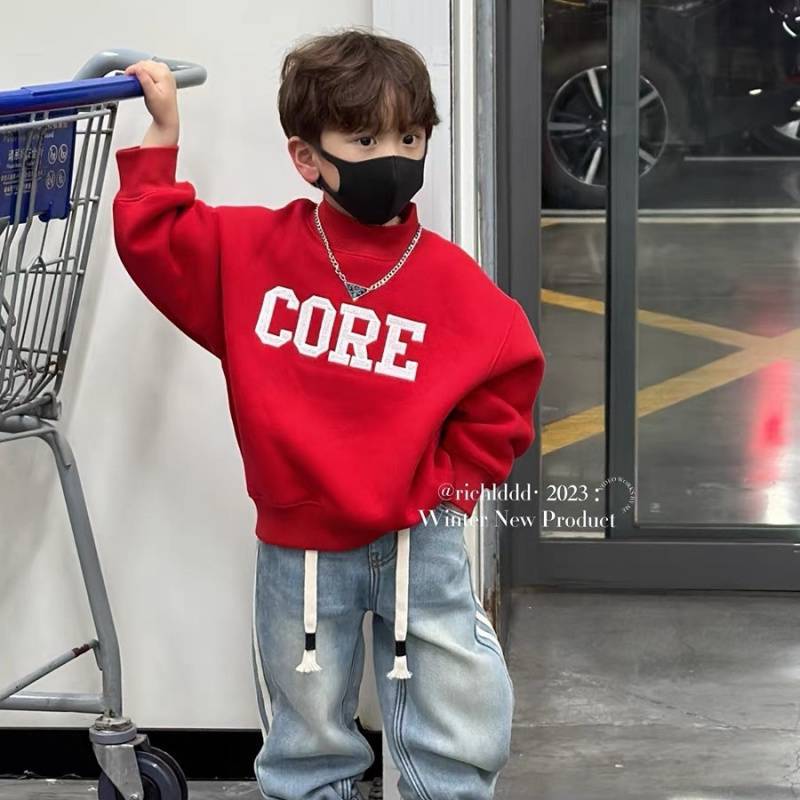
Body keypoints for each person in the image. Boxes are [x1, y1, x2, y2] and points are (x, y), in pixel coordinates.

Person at [112, 27, 546, 800]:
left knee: (454, 713)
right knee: (307, 734)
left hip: (419, 541)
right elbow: (155, 238)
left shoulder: (455, 284)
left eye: (410, 138)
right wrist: (164, 133)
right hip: (299, 549)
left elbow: (508, 384)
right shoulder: (251, 253)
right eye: (365, 139)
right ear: (307, 158)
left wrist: (449, 490)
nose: (394, 157)